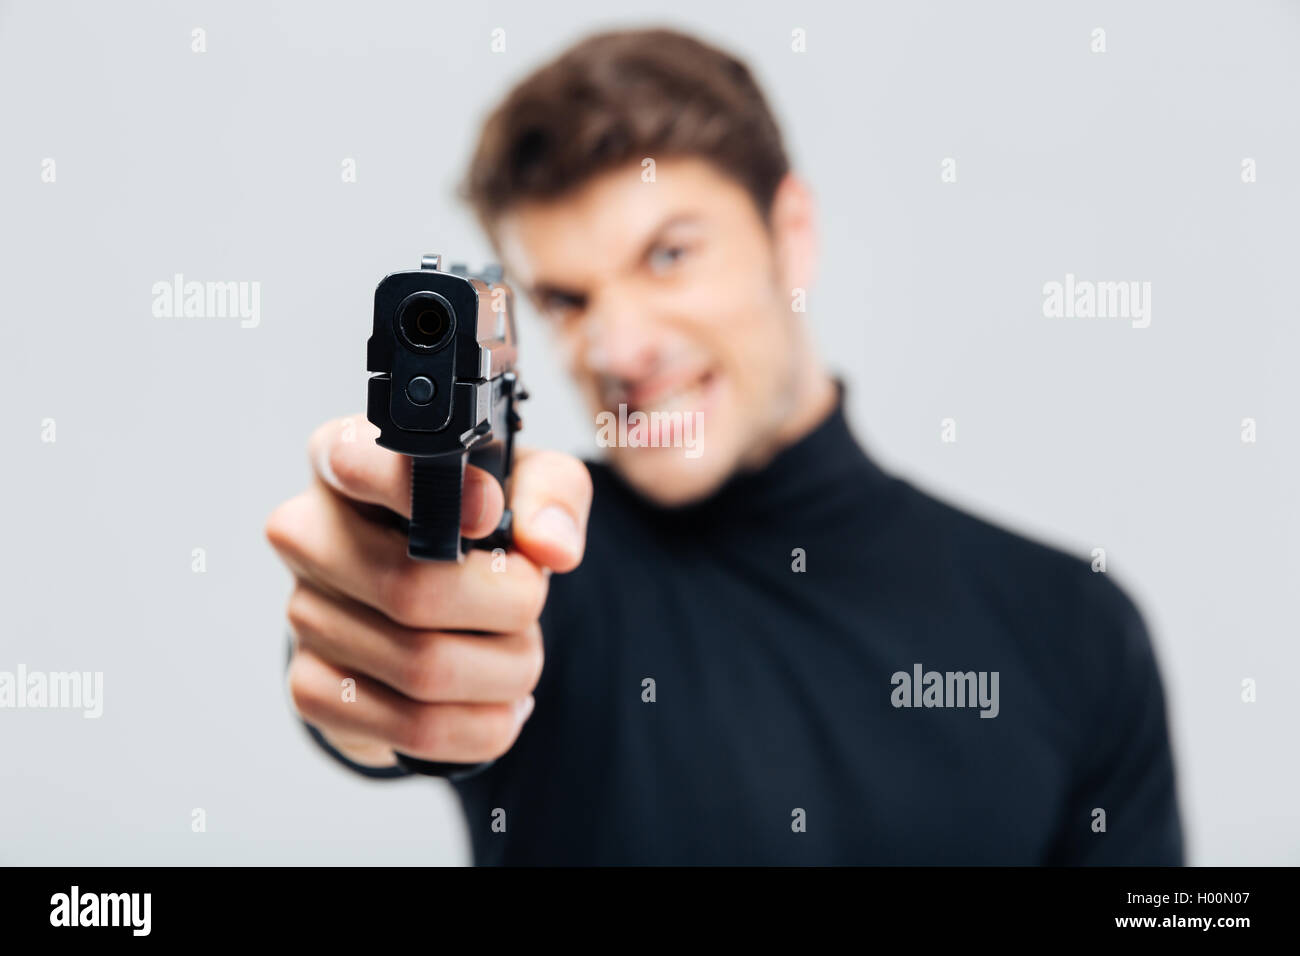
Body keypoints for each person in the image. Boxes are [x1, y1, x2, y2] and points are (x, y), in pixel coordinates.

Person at [264, 28, 1184, 865]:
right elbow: (401, 670)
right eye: (567, 301)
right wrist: (382, 635)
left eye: (670, 256)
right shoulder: (535, 565)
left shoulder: (1076, 629)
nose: (619, 349)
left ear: (793, 235)